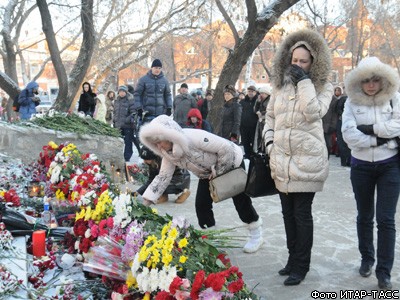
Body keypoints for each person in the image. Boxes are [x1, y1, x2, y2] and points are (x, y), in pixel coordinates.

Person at [263, 29, 332, 286]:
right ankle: (292, 260)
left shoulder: (323, 86)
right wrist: (270, 142)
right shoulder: (279, 86)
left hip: (308, 161)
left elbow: (313, 112)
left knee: (302, 214)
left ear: (313, 63)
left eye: (304, 61)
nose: (298, 65)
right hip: (281, 159)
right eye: (295, 61)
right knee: (287, 213)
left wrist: (304, 82)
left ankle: (301, 266)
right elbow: (269, 116)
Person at [139, 115, 263, 253]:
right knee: (201, 204)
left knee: (240, 201)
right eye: (155, 144)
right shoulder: (168, 154)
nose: (159, 146)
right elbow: (163, 177)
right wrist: (146, 202)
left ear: (169, 136)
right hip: (207, 173)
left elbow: (225, 147)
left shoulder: (192, 137)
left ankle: (256, 235)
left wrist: (219, 172)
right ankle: (212, 238)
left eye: (160, 141)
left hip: (231, 162)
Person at [342, 56, 400, 290]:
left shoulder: (394, 98)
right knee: (364, 216)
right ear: (359, 82)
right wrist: (381, 139)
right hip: (361, 166)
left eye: (376, 80)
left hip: (390, 165)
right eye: (366, 80)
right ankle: (367, 259)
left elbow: (399, 125)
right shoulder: (350, 103)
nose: (371, 85)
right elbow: (349, 136)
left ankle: (384, 271)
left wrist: (369, 130)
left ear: (383, 80)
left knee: (386, 220)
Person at [134, 59, 172, 123]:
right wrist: (139, 108)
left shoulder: (164, 81)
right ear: (152, 68)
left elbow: (168, 95)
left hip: (160, 114)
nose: (158, 70)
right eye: (156, 68)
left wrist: (169, 107)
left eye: (159, 68)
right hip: (147, 113)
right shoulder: (143, 80)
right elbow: (137, 94)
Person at [113, 85, 136, 162]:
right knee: (117, 141)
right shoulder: (116, 100)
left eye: (123, 92)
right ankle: (117, 154)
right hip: (118, 125)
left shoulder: (130, 100)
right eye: (120, 91)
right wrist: (114, 120)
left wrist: (127, 120)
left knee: (128, 141)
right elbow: (115, 112)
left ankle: (127, 156)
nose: (122, 93)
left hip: (128, 125)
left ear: (126, 92)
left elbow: (133, 112)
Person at [240, 85, 259, 158]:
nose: (250, 93)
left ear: (255, 92)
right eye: (249, 91)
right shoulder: (243, 101)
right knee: (245, 141)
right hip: (244, 126)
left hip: (254, 126)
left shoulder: (258, 101)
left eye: (252, 91)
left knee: (254, 141)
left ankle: (253, 154)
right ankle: (247, 154)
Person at [322, 87, 340, 158]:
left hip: (328, 126)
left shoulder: (334, 100)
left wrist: (332, 126)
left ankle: (326, 159)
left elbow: (335, 114)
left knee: (327, 145)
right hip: (319, 126)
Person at [336, 87, 351, 166]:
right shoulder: (343, 99)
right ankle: (344, 161)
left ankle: (348, 161)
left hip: (348, 123)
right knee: (342, 143)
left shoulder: (354, 100)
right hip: (342, 122)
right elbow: (338, 109)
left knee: (348, 143)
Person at [254, 86, 271, 151]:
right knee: (260, 136)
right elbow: (255, 109)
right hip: (261, 121)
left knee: (265, 136)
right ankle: (260, 150)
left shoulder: (269, 100)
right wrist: (257, 102)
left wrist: (261, 113)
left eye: (262, 93)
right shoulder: (260, 100)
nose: (261, 95)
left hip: (266, 121)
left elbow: (269, 110)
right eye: (260, 93)